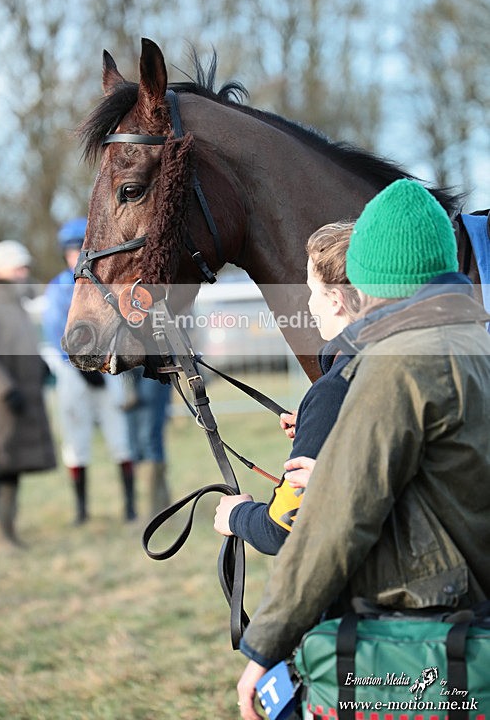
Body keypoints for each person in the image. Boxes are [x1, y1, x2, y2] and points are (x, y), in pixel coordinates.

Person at [235, 179, 490, 720]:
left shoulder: (395, 362)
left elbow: (337, 519)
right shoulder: (478, 342)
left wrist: (265, 647)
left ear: (368, 281)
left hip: (421, 643)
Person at [213, 221, 360, 554]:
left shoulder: (334, 391)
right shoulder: (397, 364)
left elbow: (281, 527)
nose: (309, 305)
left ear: (336, 300)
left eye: (312, 290)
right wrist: (314, 422)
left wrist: (236, 515)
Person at [0, 241, 57, 554]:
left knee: (11, 467)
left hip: (19, 397)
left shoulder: (13, 301)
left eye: (25, 267)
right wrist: (6, 389)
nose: (24, 273)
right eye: (17, 267)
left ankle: (9, 531)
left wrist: (39, 365)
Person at [42, 218, 135, 524]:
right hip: (73, 372)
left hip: (108, 367)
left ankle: (130, 506)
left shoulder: (109, 282)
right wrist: (84, 369)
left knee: (119, 436)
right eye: (71, 251)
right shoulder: (58, 287)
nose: (76, 256)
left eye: (81, 249)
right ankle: (81, 509)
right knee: (75, 438)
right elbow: (57, 330)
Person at [121, 366, 172, 520]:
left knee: (149, 437)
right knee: (135, 444)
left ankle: (156, 511)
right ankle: (159, 507)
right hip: (127, 366)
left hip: (155, 357)